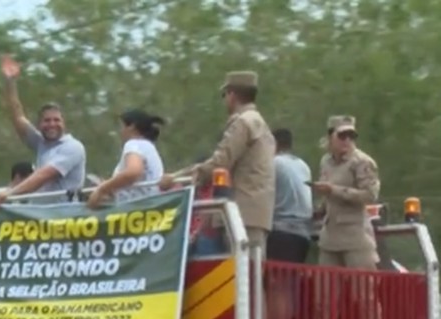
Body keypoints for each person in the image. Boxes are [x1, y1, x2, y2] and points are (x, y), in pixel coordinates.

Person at [159, 70, 275, 257]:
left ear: (232, 95)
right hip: (258, 214)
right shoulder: (261, 124)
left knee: (240, 280)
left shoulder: (242, 123)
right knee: (252, 278)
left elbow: (219, 163)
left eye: (224, 95)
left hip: (240, 214)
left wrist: (175, 178)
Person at [0, 55, 86, 205]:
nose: (52, 124)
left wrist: (10, 193)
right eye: (47, 121)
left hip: (65, 216)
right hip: (40, 216)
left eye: (56, 120)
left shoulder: (73, 147)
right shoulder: (41, 143)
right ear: (39, 124)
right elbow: (17, 116)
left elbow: (44, 175)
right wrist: (10, 82)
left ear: (64, 123)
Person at [314, 116, 380, 268]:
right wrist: (320, 207)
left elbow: (370, 195)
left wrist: (334, 190)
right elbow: (327, 196)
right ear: (330, 136)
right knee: (325, 289)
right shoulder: (326, 161)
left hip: (355, 237)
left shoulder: (362, 161)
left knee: (360, 288)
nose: (347, 140)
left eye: (351, 136)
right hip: (330, 237)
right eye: (342, 136)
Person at [87, 109, 165, 209]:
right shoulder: (150, 148)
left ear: (131, 127)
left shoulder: (133, 144)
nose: (120, 131)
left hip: (135, 209)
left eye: (121, 126)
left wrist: (102, 189)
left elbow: (133, 172)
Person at [268, 128, 313, 263]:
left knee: (278, 280)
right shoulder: (303, 165)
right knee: (292, 279)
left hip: (281, 231)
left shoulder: (274, 163)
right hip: (303, 234)